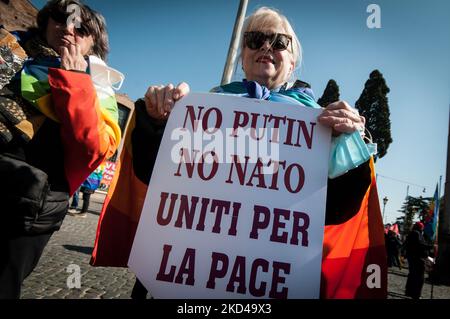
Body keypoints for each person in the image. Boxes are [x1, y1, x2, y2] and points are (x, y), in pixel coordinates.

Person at [91, 7, 386, 299]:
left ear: (293, 60)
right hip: (187, 269)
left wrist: (351, 144)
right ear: (242, 57)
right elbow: (152, 175)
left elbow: (337, 210)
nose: (267, 47)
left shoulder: (320, 125)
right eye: (255, 39)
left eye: (279, 42)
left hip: (268, 279)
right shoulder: (203, 108)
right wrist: (155, 121)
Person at [0, 0, 121, 299]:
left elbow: (94, 148)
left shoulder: (100, 87)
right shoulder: (9, 50)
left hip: (28, 208)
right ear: (44, 22)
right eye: (60, 18)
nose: (68, 29)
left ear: (95, 42)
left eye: (80, 27)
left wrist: (75, 82)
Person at [404, 221, 431, 299]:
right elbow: (419, 244)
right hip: (417, 258)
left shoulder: (413, 233)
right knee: (419, 277)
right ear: (420, 228)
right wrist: (431, 246)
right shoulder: (416, 233)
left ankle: (409, 291)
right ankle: (416, 294)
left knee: (412, 275)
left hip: (413, 257)